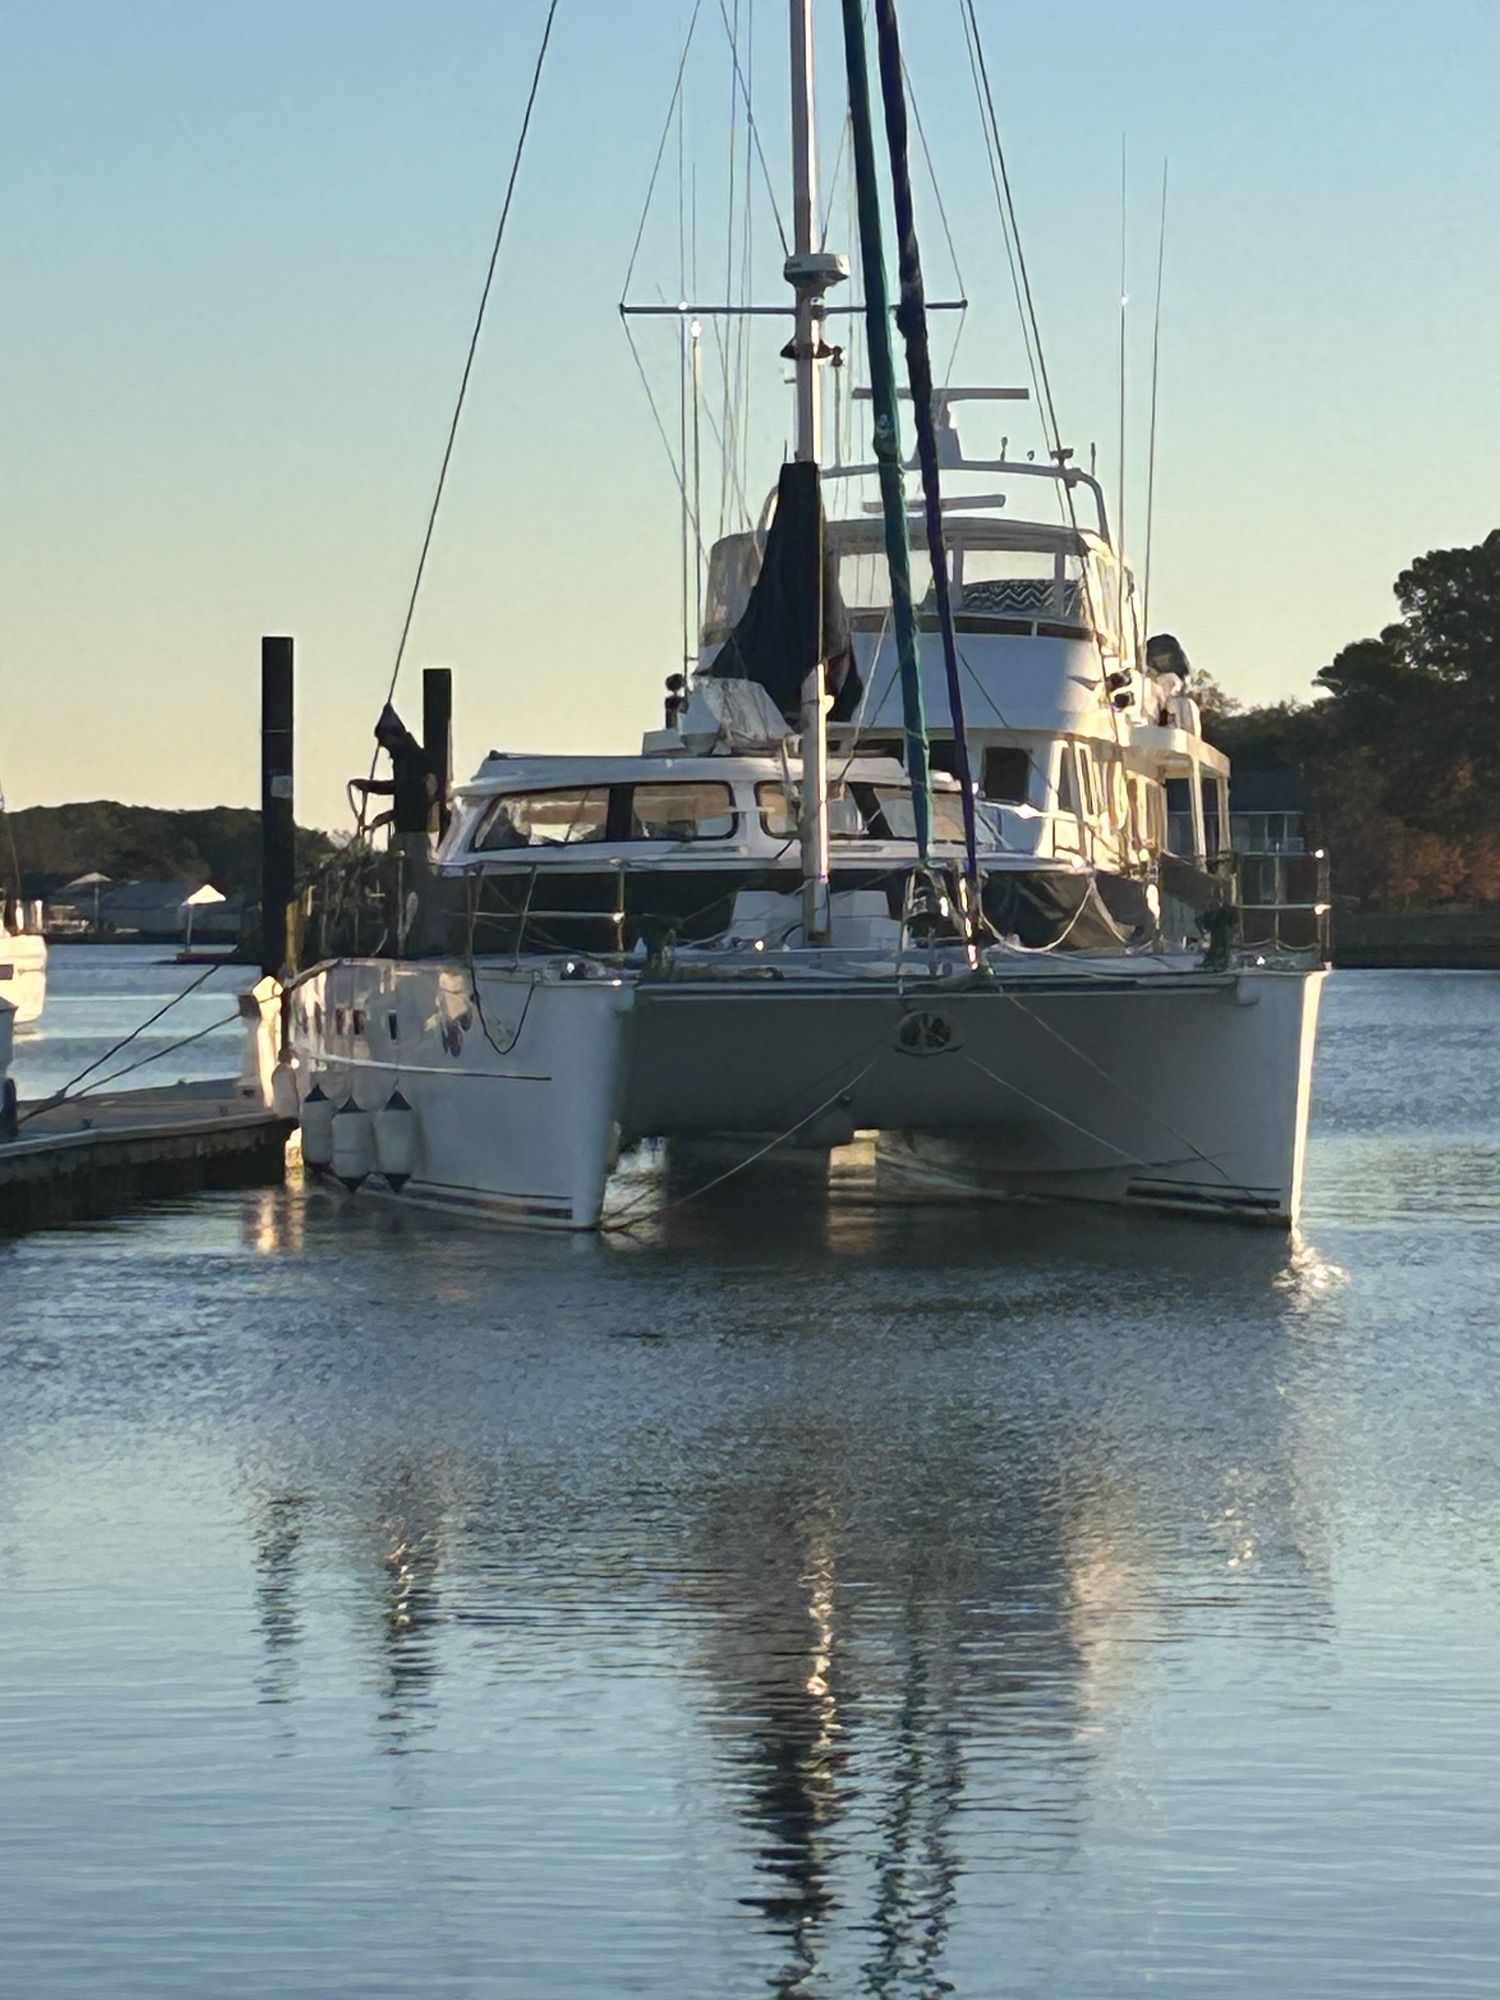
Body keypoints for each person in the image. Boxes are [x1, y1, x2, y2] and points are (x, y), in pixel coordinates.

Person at [351, 703, 439, 836]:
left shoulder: (415, 759)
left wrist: (371, 786)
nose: (385, 747)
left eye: (385, 742)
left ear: (395, 736)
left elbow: (406, 789)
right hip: (406, 829)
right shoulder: (402, 760)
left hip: (418, 832)